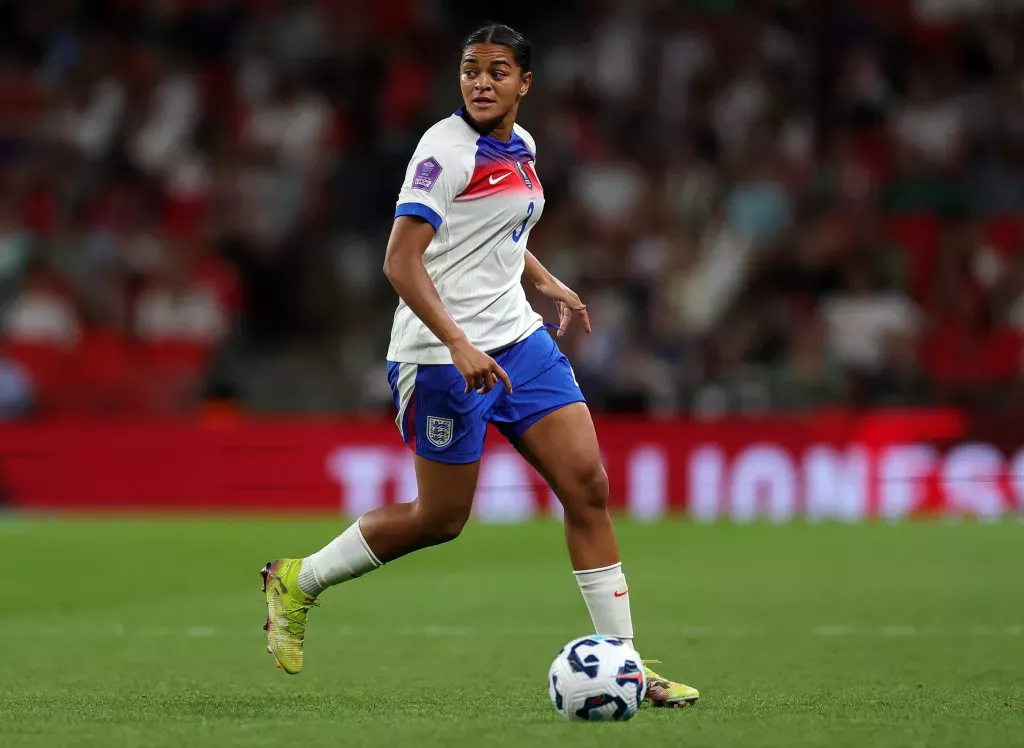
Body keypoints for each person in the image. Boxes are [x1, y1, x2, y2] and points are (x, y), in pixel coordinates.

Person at [260, 23, 699, 708]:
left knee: (588, 485)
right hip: (440, 356)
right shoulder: (443, 152)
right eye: (471, 71)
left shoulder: (519, 146)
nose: (482, 82)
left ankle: (628, 664)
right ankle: (298, 580)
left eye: (497, 71)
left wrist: (544, 278)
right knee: (440, 519)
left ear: (525, 83)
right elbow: (400, 261)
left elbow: (497, 228)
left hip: (518, 340)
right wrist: (460, 344)